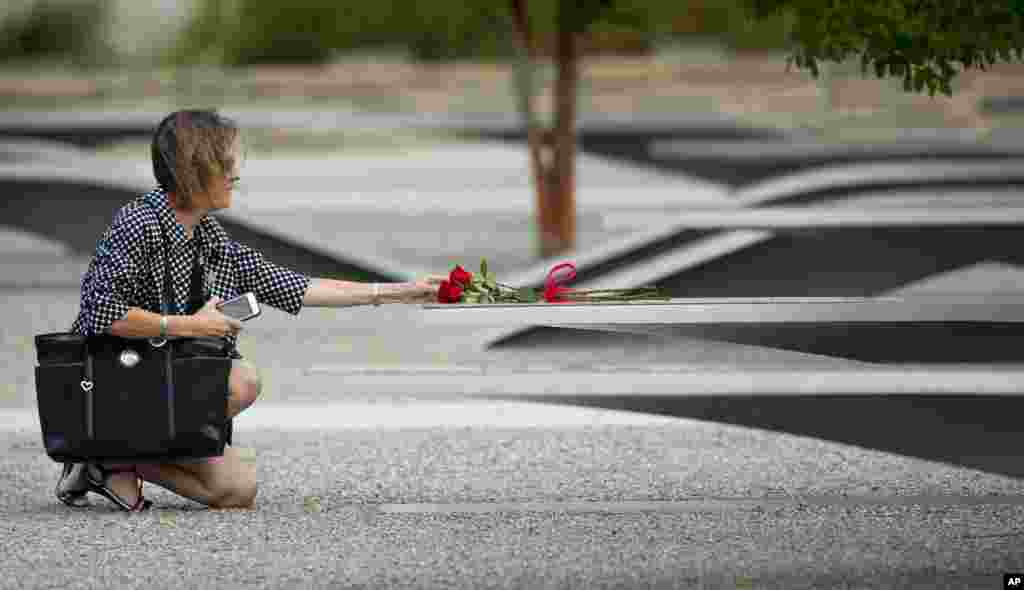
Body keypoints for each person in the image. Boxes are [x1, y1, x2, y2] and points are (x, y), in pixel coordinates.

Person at [55, 109, 443, 511]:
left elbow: (297, 285)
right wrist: (192, 325)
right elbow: (102, 313)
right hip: (114, 380)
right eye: (226, 163)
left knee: (237, 491)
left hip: (164, 379)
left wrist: (401, 292)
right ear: (194, 168)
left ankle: (105, 461)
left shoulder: (208, 234)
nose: (235, 174)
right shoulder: (138, 222)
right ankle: (104, 447)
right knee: (240, 380)